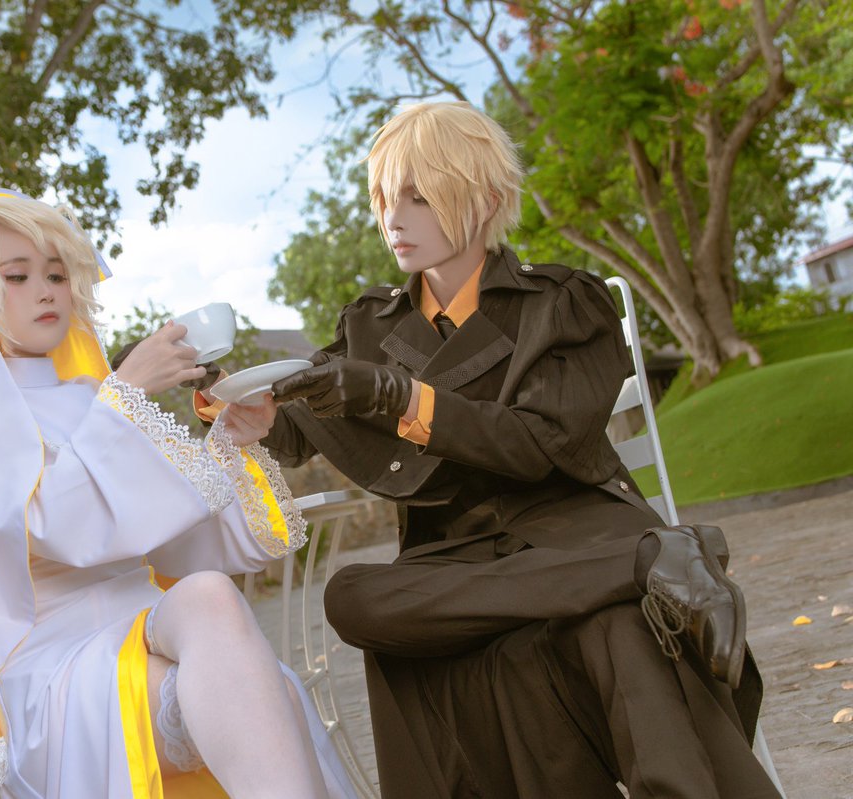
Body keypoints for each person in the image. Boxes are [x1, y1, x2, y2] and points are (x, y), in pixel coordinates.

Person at [249, 102, 781, 798]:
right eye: (382, 196)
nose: (393, 217)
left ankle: (622, 576)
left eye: (418, 195)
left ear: (486, 197)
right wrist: (232, 400)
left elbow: (539, 444)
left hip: (569, 530)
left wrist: (398, 396)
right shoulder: (368, 323)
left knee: (619, 628)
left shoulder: (563, 302)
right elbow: (297, 427)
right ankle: (644, 563)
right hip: (455, 561)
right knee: (353, 596)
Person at [0, 184, 356, 799]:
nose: (47, 290)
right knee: (273, 689)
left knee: (217, 607)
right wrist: (124, 396)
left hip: (148, 623)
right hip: (52, 661)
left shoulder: (95, 398)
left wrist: (231, 440)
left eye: (56, 273)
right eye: (17, 276)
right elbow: (56, 528)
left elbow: (178, 544)